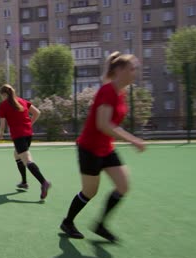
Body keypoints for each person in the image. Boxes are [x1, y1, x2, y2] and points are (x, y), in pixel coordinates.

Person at [59, 52, 146, 242]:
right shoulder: (107, 91)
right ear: (119, 70)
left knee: (123, 186)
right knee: (90, 191)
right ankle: (67, 222)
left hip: (106, 148)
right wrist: (133, 140)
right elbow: (103, 124)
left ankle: (101, 225)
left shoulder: (120, 93)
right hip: (89, 148)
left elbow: (110, 125)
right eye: (132, 69)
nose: (135, 72)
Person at [0, 84, 51, 201]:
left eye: (1, 95)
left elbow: (2, 124)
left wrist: (0, 133)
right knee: (17, 155)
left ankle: (44, 182)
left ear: (4, 94)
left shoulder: (3, 105)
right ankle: (24, 182)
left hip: (19, 136)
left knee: (27, 160)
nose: (1, 98)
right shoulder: (22, 101)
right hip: (28, 134)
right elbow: (37, 113)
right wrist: (29, 125)